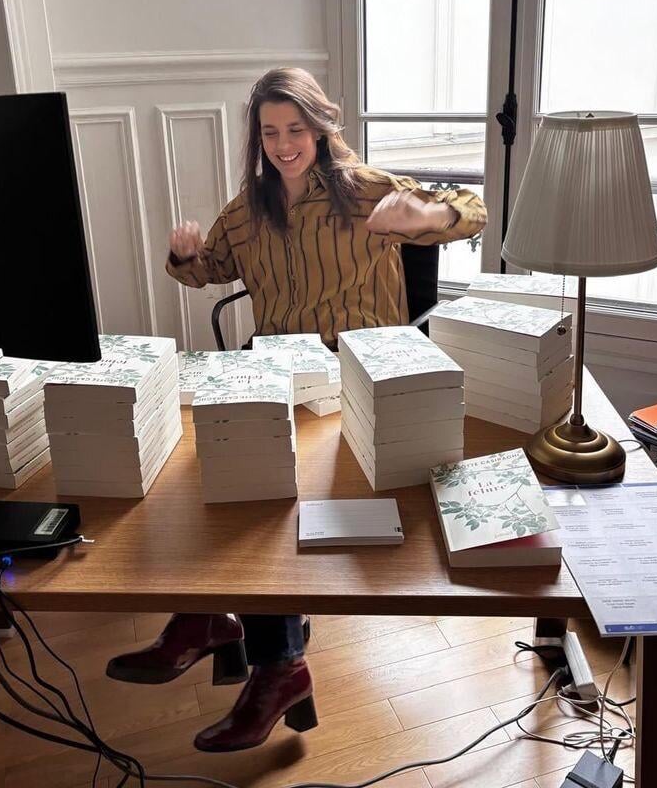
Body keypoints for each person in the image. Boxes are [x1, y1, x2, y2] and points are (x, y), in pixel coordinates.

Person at [107, 68, 486, 752]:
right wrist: (183, 256)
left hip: (353, 376)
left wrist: (425, 218)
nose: (284, 145)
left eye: (296, 130)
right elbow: (209, 270)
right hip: (276, 369)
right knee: (201, 472)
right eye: (270, 132)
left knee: (265, 496)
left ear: (320, 128)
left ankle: (277, 663)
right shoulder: (247, 209)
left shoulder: (363, 189)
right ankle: (207, 616)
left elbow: (472, 209)